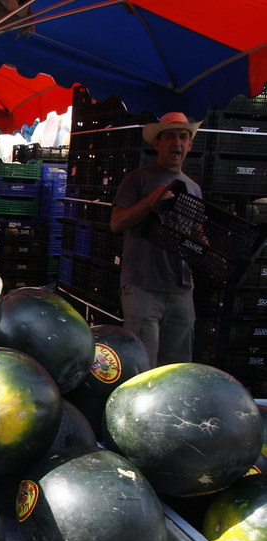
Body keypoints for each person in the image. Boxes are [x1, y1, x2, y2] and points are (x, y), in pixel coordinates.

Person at [110, 112, 203, 368]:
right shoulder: (138, 179)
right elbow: (117, 223)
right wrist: (150, 202)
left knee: (177, 366)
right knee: (143, 365)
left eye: (183, 137)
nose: (178, 142)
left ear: (190, 144)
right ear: (157, 143)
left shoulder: (193, 188)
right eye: (170, 136)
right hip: (142, 286)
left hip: (181, 289)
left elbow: (194, 233)